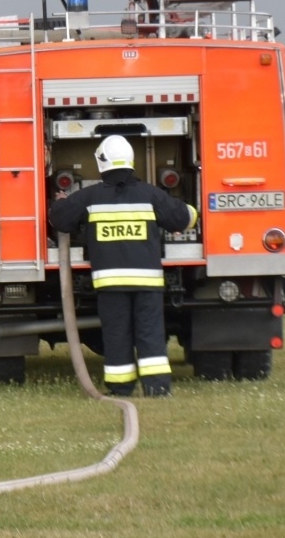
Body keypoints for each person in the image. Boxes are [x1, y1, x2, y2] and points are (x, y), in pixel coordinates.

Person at [48, 135, 196, 396]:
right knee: (150, 333)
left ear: (101, 162)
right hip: (147, 284)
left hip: (110, 285)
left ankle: (120, 388)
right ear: (131, 161)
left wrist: (61, 201)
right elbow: (183, 217)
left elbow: (59, 220)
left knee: (116, 335)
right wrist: (191, 213)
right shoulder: (151, 194)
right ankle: (157, 389)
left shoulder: (89, 197)